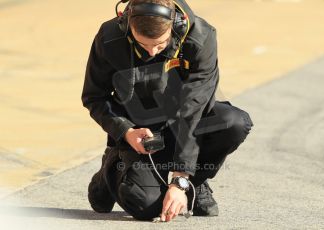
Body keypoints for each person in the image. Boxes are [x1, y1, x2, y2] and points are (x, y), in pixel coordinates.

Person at [81, 0, 253, 222]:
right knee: (146, 207)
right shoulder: (110, 36)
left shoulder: (201, 38)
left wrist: (181, 179)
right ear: (126, 25)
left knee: (234, 123)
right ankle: (112, 169)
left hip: (185, 120)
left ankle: (193, 183)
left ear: (177, 25)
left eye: (160, 44)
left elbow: (193, 110)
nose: (152, 51)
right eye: (142, 44)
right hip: (139, 132)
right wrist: (126, 131)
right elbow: (95, 96)